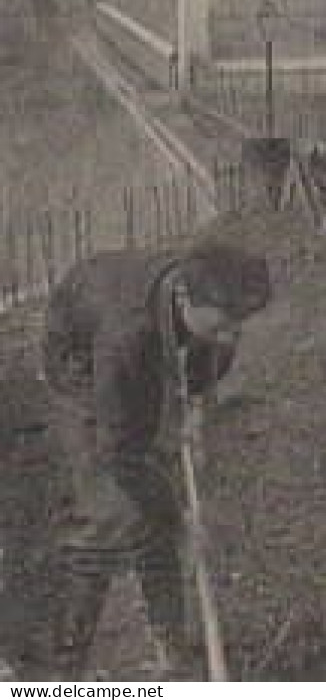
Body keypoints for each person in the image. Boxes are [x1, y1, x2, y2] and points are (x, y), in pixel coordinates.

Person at [38, 239, 272, 679]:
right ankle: (65, 669)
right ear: (186, 300)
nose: (233, 337)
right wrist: (181, 520)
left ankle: (171, 650)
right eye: (225, 325)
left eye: (238, 326)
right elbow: (119, 450)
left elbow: (204, 361)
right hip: (80, 365)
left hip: (135, 353)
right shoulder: (126, 335)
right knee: (108, 515)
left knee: (158, 491)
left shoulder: (208, 299)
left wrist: (196, 410)